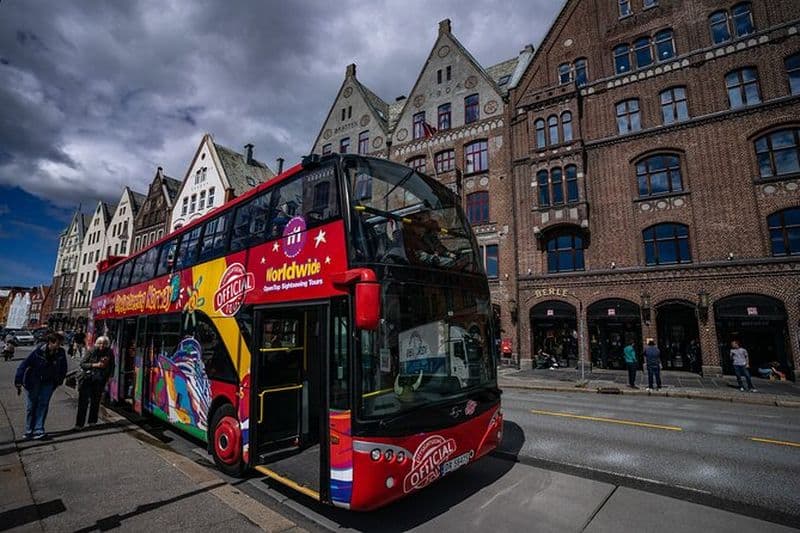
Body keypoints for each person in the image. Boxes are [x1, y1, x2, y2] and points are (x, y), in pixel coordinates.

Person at [14, 333, 68, 439]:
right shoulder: (38, 352)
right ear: (50, 342)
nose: (59, 346)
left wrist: (59, 380)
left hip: (48, 382)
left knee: (43, 405)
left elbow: (63, 367)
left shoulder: (61, 353)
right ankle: (29, 430)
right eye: (58, 343)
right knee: (31, 406)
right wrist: (18, 380)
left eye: (60, 344)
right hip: (33, 381)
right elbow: (23, 365)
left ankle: (39, 429)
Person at [75, 335, 114, 429]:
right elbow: (82, 364)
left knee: (96, 402)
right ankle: (79, 424)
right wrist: (95, 365)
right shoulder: (91, 351)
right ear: (96, 343)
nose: (102, 346)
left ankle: (92, 421)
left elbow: (112, 365)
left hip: (100, 380)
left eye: (104, 344)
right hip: (87, 379)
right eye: (100, 343)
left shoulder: (109, 352)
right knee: (83, 402)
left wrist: (110, 377)